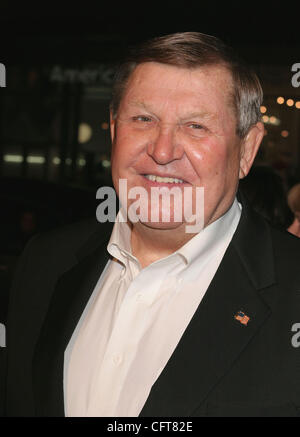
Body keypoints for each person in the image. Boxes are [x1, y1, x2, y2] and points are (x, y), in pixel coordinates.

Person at [4, 32, 300, 417]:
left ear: (247, 150)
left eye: (196, 125)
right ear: (113, 130)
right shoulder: (45, 262)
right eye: (143, 119)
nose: (162, 151)